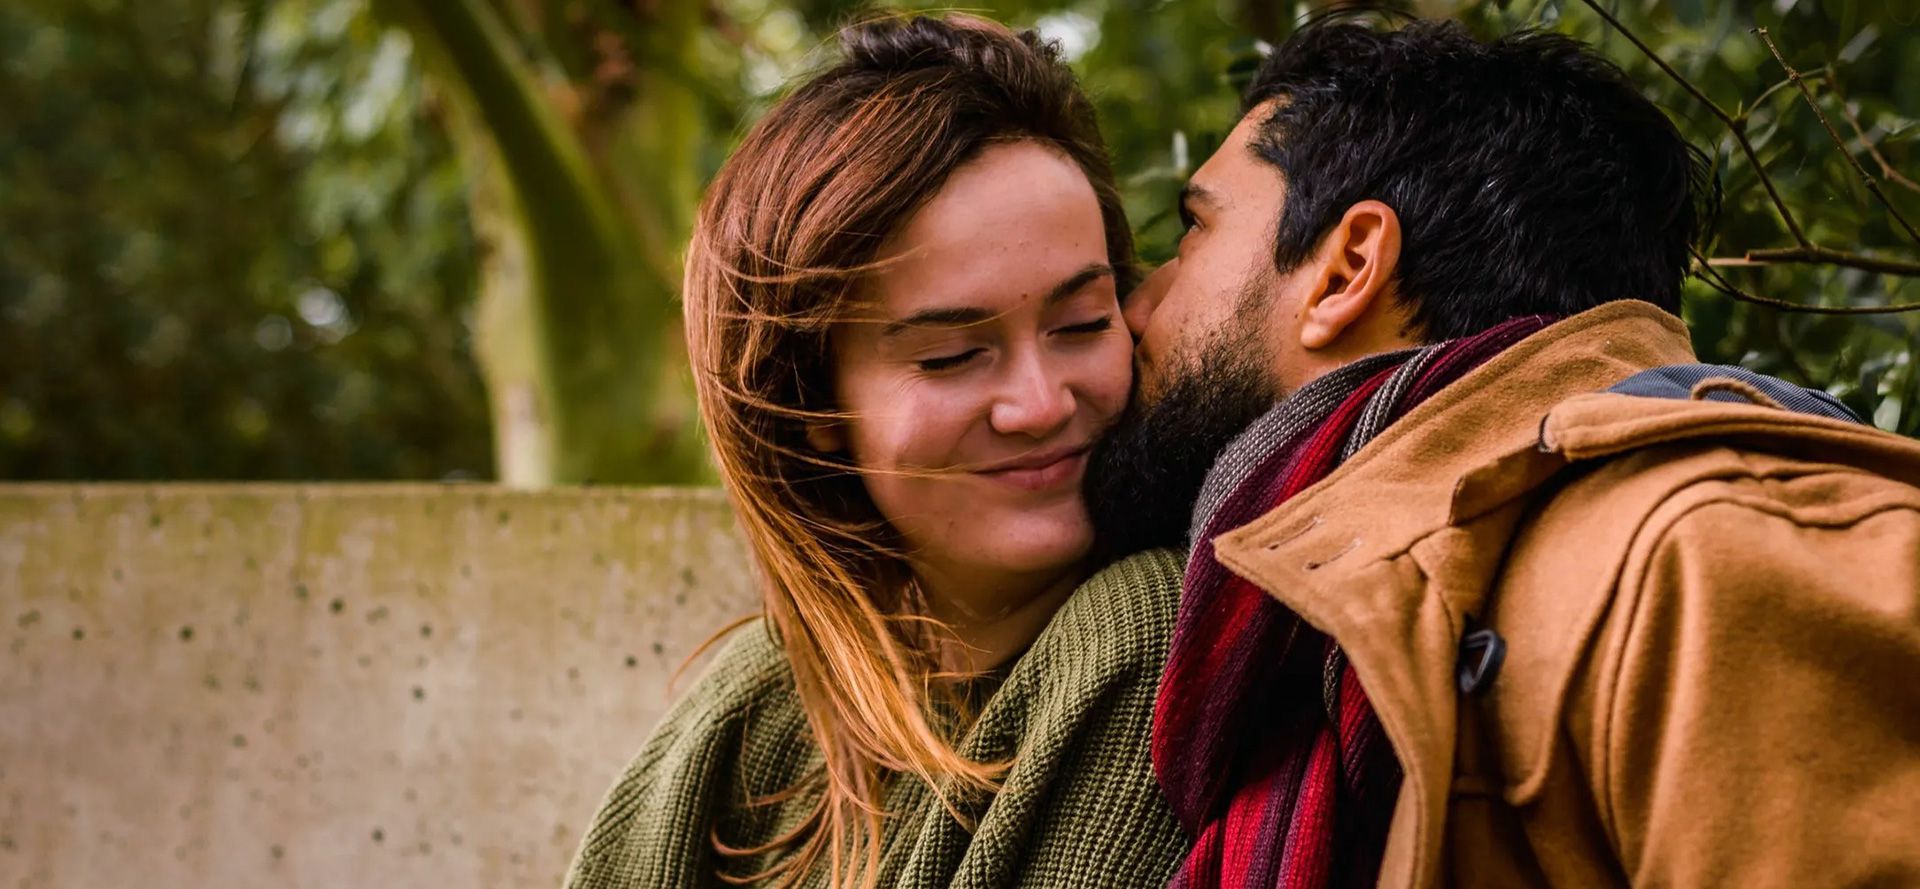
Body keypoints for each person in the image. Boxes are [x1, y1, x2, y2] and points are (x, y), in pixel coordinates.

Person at [1085, 17, 1920, 889]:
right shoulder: (1322, 639)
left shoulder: (1709, 553)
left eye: (1193, 229)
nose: (1141, 304)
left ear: (1345, 270)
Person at [565, 13, 1187, 889]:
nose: (1042, 404)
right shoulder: (742, 712)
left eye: (1083, 324)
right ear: (815, 406)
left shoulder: (1146, 629)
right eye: (950, 356)